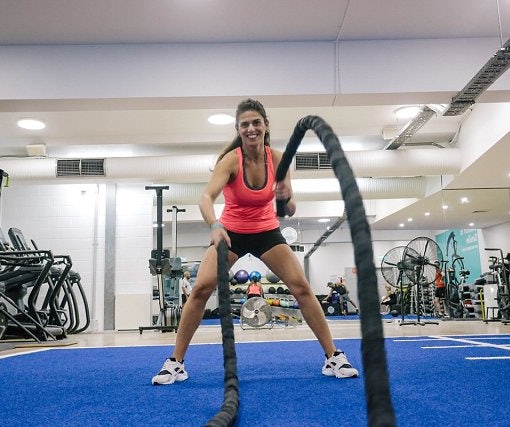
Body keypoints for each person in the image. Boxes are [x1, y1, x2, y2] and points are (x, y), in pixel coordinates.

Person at [152, 99, 358, 385]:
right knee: (200, 289)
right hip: (231, 232)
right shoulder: (231, 160)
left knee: (302, 288)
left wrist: (285, 198)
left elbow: (289, 209)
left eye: (256, 123)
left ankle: (333, 356)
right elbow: (205, 197)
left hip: (266, 231)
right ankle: (175, 363)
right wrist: (214, 225)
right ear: (239, 129)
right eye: (245, 124)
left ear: (266, 126)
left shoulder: (279, 159)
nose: (251, 128)